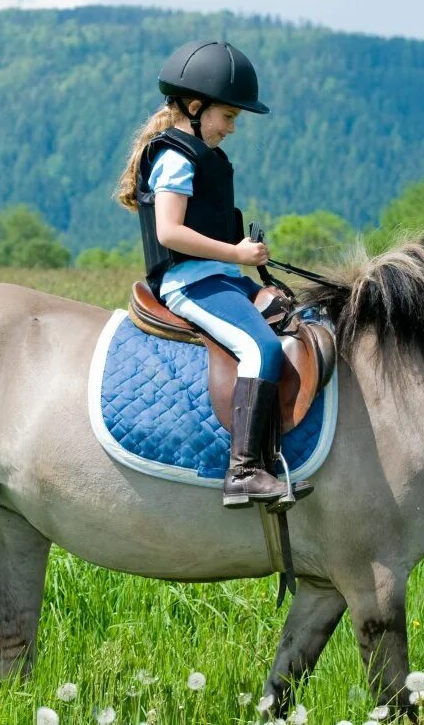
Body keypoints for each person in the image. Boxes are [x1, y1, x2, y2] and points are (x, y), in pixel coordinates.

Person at [114, 39, 312, 510]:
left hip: (221, 278)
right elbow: (169, 231)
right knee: (261, 348)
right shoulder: (176, 158)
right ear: (195, 107)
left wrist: (244, 257)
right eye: (228, 116)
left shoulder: (207, 156)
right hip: (190, 283)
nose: (231, 128)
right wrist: (236, 252)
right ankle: (243, 471)